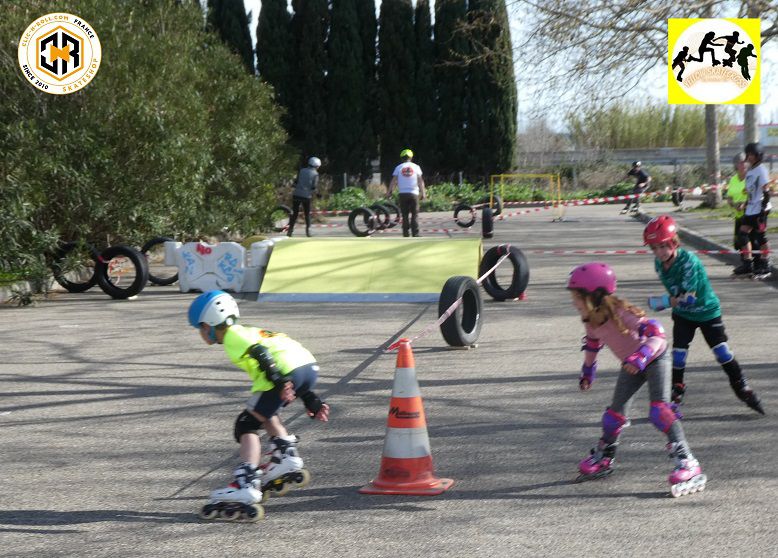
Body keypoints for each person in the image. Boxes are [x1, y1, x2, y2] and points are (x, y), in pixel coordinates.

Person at [567, 262, 706, 497]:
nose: (574, 303)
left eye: (578, 298)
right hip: (631, 365)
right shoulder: (591, 319)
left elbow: (656, 333)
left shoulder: (622, 313)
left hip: (654, 359)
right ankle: (605, 456)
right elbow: (592, 343)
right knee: (613, 416)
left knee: (660, 411)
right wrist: (588, 370)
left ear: (595, 297)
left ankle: (687, 461)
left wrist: (641, 356)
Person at [189, 290, 330, 520]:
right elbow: (287, 360)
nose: (201, 333)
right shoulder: (250, 330)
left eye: (199, 328)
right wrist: (310, 398)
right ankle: (286, 458)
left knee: (246, 424)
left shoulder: (233, 336)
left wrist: (278, 380)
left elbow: (261, 353)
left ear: (209, 325)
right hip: (307, 365)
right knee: (266, 413)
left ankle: (246, 483)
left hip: (282, 371)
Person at [643, 215, 764, 414]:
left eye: (663, 246)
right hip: (683, 315)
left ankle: (740, 385)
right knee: (679, 353)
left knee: (721, 351)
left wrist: (660, 302)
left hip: (707, 311)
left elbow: (687, 298)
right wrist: (668, 301)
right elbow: (677, 296)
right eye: (654, 247)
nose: (659, 252)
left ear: (674, 242)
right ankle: (677, 387)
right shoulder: (659, 264)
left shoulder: (690, 261)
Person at [732, 142, 772, 278]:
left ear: (757, 156)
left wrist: (762, 209)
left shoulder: (761, 170)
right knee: (742, 234)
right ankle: (748, 264)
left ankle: (765, 265)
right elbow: (750, 192)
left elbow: (766, 192)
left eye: (751, 154)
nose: (748, 157)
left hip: (760, 209)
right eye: (748, 154)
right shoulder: (750, 170)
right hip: (750, 209)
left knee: (761, 237)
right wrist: (745, 204)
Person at [387, 148, 426, 237]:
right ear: (411, 157)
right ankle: (415, 233)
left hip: (402, 194)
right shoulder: (416, 167)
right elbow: (420, 181)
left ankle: (405, 233)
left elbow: (393, 181)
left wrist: (389, 192)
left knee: (404, 215)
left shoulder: (398, 167)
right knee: (415, 214)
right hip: (414, 194)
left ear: (401, 158)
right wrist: (423, 193)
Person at [725, 153, 749, 271]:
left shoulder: (750, 177)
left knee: (745, 238)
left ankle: (748, 263)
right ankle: (744, 261)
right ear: (736, 165)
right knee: (737, 242)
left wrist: (744, 204)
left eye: (745, 161)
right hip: (738, 214)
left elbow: (754, 195)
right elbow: (729, 197)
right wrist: (734, 204)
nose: (743, 164)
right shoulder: (733, 179)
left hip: (749, 213)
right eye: (740, 162)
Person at [288, 156, 321, 237]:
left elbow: (295, 182)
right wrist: (318, 194)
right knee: (307, 214)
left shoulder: (301, 170)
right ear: (316, 165)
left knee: (295, 213)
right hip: (306, 196)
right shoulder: (315, 174)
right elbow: (314, 187)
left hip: (296, 194)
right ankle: (308, 231)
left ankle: (290, 230)